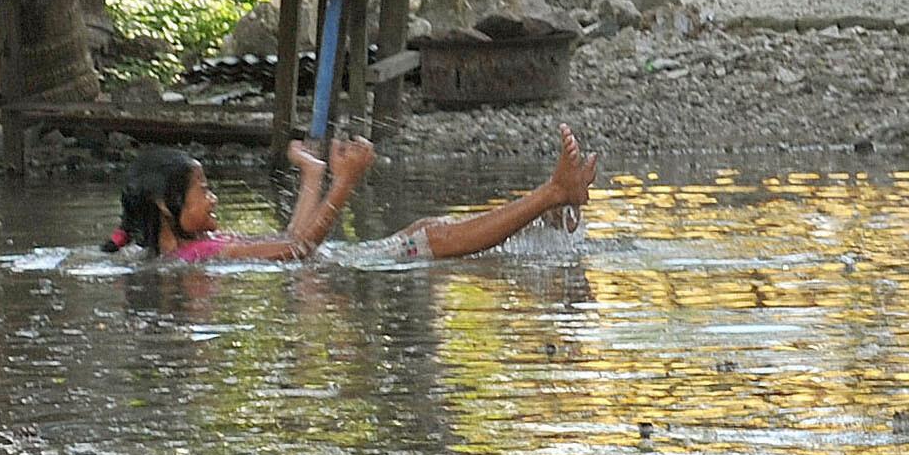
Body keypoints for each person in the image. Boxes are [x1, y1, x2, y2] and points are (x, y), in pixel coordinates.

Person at [107, 130, 597, 263]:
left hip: (348, 260)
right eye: (202, 190)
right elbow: (300, 249)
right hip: (356, 265)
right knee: (433, 236)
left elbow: (291, 239)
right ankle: (551, 194)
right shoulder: (202, 258)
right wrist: (345, 183)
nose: (213, 198)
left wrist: (312, 175)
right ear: (164, 207)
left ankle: (550, 209)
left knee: (429, 230)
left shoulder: (182, 255)